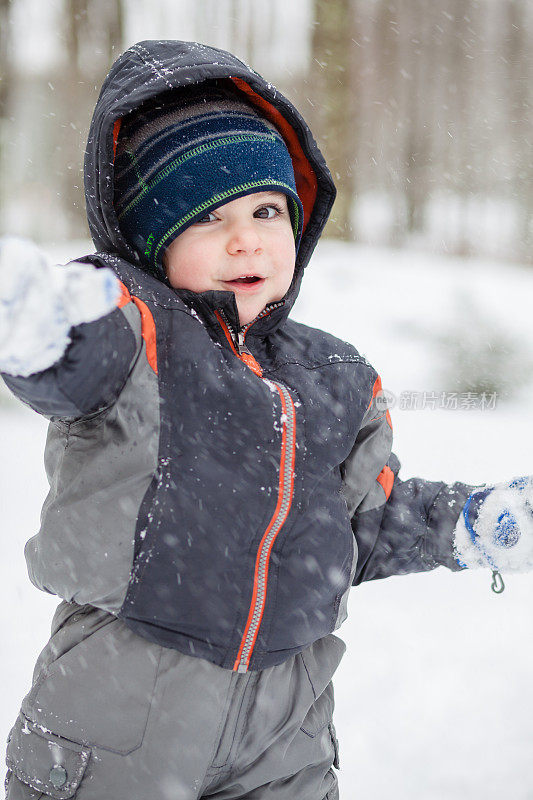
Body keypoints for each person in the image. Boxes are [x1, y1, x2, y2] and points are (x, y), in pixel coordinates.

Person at [1, 39, 532, 800]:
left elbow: (363, 524)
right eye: (208, 217)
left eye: (265, 209)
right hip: (126, 703)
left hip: (287, 725)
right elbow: (69, 362)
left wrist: (468, 523)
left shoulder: (335, 376)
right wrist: (37, 330)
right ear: (152, 240)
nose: (246, 236)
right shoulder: (131, 335)